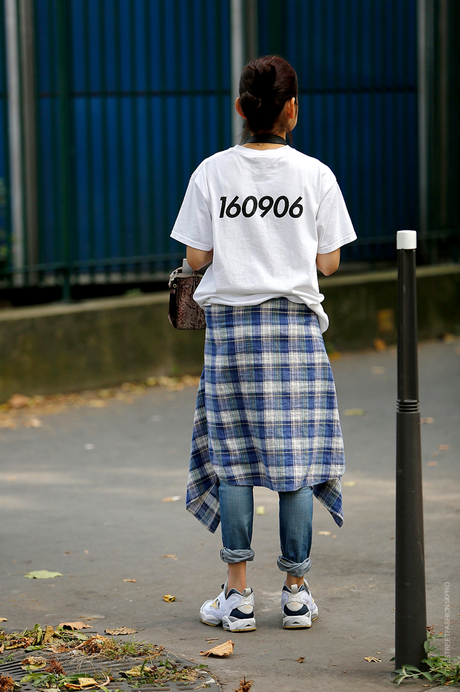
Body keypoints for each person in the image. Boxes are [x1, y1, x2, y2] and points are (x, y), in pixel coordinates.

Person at [170, 55, 356, 631]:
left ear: (240, 108)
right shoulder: (316, 176)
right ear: (292, 110)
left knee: (232, 460)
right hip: (296, 331)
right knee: (295, 461)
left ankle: (238, 595)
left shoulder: (211, 173)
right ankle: (296, 593)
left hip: (231, 333)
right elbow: (329, 262)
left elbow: (196, 257)